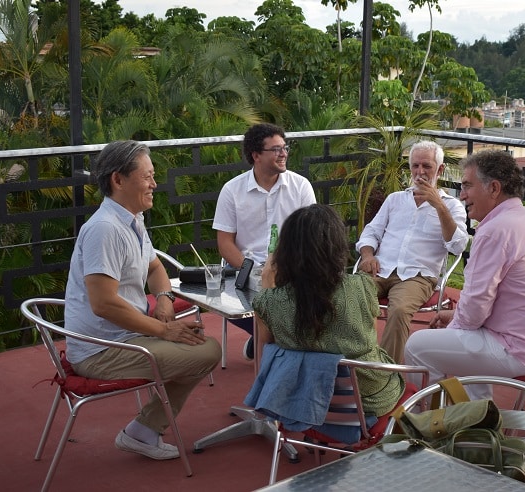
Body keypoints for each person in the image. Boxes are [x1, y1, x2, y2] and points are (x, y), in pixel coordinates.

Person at [65, 140, 221, 460]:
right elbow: (103, 304)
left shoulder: (132, 219)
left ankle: (144, 430)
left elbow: (154, 266)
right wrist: (163, 331)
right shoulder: (105, 229)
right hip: (102, 350)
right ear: (118, 180)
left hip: (128, 335)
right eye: (147, 176)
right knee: (207, 350)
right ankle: (143, 431)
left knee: (198, 344)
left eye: (154, 175)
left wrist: (163, 300)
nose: (154, 184)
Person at [403, 150, 525, 400]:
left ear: (494, 188)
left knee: (418, 346)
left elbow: (475, 311)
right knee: (461, 340)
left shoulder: (495, 230)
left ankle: (433, 425)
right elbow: (500, 303)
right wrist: (456, 320)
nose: (462, 194)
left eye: (467, 185)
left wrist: (452, 327)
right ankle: (476, 421)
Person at [251, 204, 404, 417]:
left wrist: (268, 280)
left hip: (302, 400)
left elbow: (266, 344)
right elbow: (367, 328)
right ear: (337, 247)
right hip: (368, 399)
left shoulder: (268, 301)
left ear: (285, 251)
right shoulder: (362, 286)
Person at [355, 141, 468, 363]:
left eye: (427, 166)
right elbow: (371, 232)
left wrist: (439, 206)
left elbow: (457, 246)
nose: (420, 172)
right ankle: (354, 360)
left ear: (440, 169)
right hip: (381, 269)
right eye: (415, 166)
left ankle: (386, 374)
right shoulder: (395, 199)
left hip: (417, 276)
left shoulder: (452, 206)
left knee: (399, 310)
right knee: (346, 296)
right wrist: (368, 255)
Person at [213, 123, 316, 360]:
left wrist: (286, 267)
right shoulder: (232, 190)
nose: (284, 154)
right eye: (276, 149)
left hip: (290, 268)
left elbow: (309, 236)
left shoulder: (300, 186)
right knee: (257, 300)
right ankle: (267, 341)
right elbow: (225, 243)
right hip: (245, 268)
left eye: (285, 147)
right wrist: (253, 271)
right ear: (256, 155)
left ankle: (263, 340)